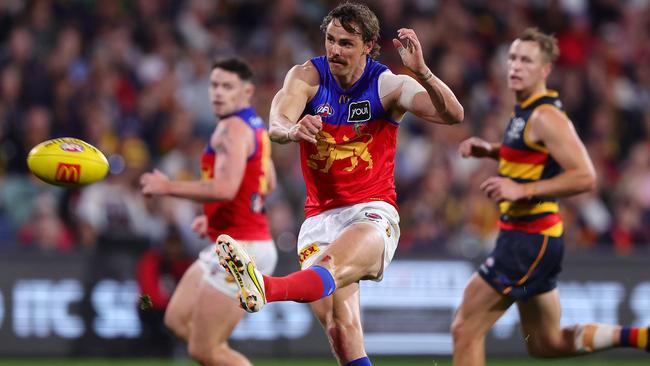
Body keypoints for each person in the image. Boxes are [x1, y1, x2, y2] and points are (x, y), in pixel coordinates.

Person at [214, 3, 463, 365]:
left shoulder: (387, 85)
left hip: (371, 212)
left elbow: (453, 115)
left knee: (328, 267)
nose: (334, 50)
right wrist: (292, 129)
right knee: (340, 330)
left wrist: (422, 72)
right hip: (319, 219)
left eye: (346, 43)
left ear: (368, 46)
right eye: (330, 40)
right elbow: (276, 121)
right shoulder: (306, 76)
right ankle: (265, 287)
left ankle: (265, 286)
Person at [453, 28, 649, 365]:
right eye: (513, 57)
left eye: (526, 60)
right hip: (534, 239)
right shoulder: (526, 112)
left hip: (527, 240)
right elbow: (532, 156)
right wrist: (492, 151)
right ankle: (640, 336)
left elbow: (586, 176)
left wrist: (521, 190)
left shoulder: (546, 117)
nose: (515, 66)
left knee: (465, 329)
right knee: (546, 343)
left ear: (545, 70)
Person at [140, 57, 278, 366]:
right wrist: (215, 216)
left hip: (243, 249)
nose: (217, 93)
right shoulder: (252, 127)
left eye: (227, 87)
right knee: (177, 319)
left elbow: (225, 189)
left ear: (247, 92)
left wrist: (167, 187)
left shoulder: (232, 130)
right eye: (214, 85)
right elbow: (267, 182)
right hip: (233, 241)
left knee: (204, 350)